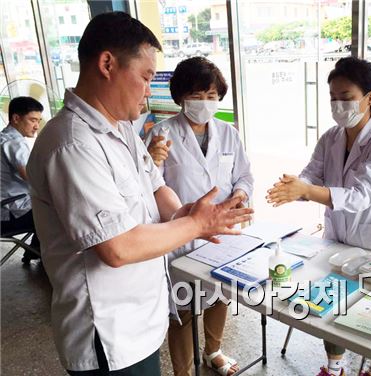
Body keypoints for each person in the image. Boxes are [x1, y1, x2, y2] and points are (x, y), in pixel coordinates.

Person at [26, 12, 252, 375]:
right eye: (146, 76)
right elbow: (117, 247)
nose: (150, 89)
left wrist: (190, 214)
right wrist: (194, 225)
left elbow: (158, 188)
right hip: (109, 334)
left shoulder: (121, 131)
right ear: (107, 64)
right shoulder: (71, 144)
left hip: (139, 321)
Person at [266, 57, 371, 376]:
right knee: (330, 302)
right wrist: (295, 183)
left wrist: (305, 191)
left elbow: (361, 196)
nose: (338, 105)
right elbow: (313, 172)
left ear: (370, 97)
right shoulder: (332, 136)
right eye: (333, 98)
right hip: (338, 239)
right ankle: (335, 367)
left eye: (345, 98)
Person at [147, 56, 253, 376]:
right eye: (197, 95)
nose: (205, 103)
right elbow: (149, 186)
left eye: (212, 96)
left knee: (220, 293)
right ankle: (182, 370)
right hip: (180, 234)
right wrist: (150, 161)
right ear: (180, 96)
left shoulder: (228, 132)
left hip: (222, 231)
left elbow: (244, 176)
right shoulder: (162, 134)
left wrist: (239, 196)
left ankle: (214, 351)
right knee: (182, 306)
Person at [1, 96, 43, 264]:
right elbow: (33, 177)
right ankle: (40, 252)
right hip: (9, 214)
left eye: (39, 121)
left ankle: (34, 251)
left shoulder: (3, 137)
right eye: (32, 120)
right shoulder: (13, 142)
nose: (37, 126)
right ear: (16, 118)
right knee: (59, 211)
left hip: (6, 209)